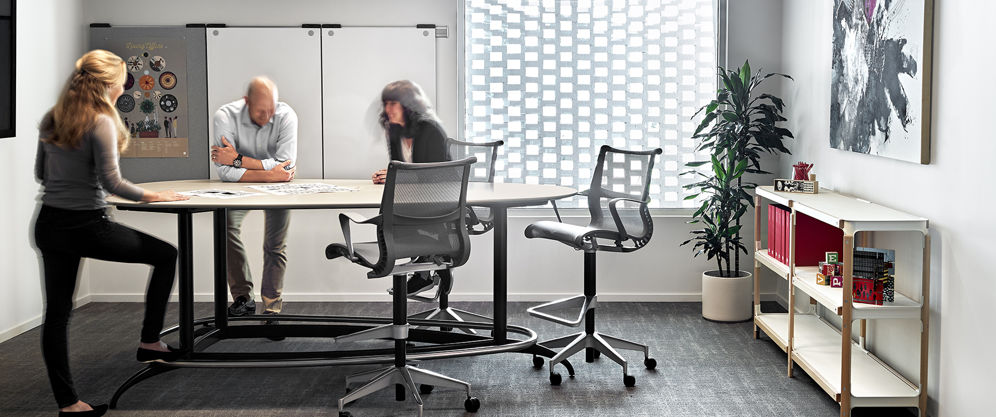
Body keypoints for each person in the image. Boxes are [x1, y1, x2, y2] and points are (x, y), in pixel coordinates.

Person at [33, 50, 190, 417]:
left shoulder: (53, 117)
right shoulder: (101, 120)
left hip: (49, 224)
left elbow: (42, 173)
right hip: (86, 225)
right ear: (107, 85)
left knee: (57, 315)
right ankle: (149, 342)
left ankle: (69, 404)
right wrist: (155, 195)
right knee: (166, 255)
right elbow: (112, 182)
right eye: (121, 82)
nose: (123, 89)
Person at [210, 77, 297, 333]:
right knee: (225, 226)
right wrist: (269, 173)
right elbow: (224, 172)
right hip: (240, 188)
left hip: (276, 187)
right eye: (261, 112)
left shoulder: (286, 115)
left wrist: (238, 159)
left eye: (271, 110)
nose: (267, 117)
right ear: (246, 102)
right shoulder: (225, 116)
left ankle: (272, 308)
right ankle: (243, 298)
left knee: (275, 244)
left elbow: (286, 165)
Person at [370, 80, 451, 295]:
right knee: (390, 215)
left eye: (393, 104)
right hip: (413, 198)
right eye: (386, 104)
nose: (388, 109)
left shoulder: (430, 129)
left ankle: (428, 268)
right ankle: (429, 267)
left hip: (441, 200)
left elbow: (438, 174)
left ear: (408, 106)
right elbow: (400, 167)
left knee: (395, 219)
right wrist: (389, 175)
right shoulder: (394, 131)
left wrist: (399, 175)